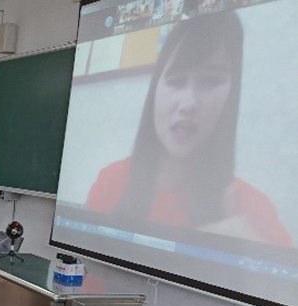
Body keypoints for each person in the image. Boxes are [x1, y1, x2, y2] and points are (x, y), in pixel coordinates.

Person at [86, 11, 292, 247]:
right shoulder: (111, 180)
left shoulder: (251, 209)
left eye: (210, 81)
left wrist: (251, 255)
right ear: (155, 92)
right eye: (176, 81)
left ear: (229, 98)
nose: (188, 104)